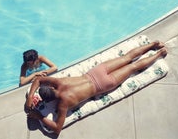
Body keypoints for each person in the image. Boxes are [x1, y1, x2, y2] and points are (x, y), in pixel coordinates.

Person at [25, 41, 167, 134]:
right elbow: (38, 80)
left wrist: (40, 117)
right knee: (127, 58)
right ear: (50, 87)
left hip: (103, 84)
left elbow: (57, 129)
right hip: (96, 72)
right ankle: (154, 44)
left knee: (133, 67)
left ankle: (159, 54)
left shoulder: (63, 104)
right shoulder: (59, 82)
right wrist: (31, 96)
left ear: (49, 100)